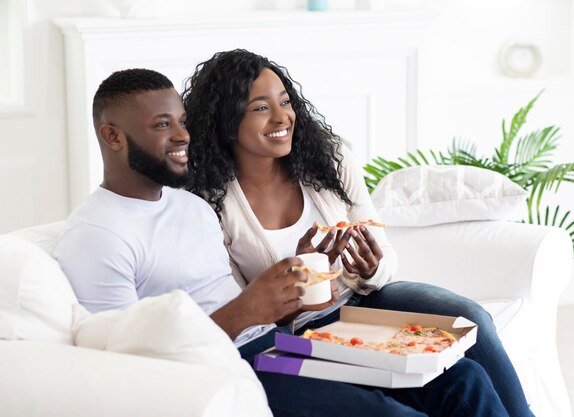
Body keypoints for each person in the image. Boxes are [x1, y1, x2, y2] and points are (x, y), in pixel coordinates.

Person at [54, 68, 508, 417]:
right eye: (161, 125)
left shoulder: (187, 206)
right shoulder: (96, 236)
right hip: (226, 371)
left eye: (182, 122)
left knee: (460, 378)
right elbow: (121, 368)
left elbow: (251, 313)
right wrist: (249, 309)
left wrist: (294, 294)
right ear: (112, 135)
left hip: (279, 348)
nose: (181, 136)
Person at [182, 49, 533, 417]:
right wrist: (296, 278)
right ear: (225, 121)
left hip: (365, 300)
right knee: (452, 380)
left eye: (285, 101)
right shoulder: (210, 204)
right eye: (260, 108)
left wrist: (371, 267)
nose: (282, 117)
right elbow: (244, 314)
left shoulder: (328, 159)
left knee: (466, 316)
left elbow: (384, 259)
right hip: (292, 332)